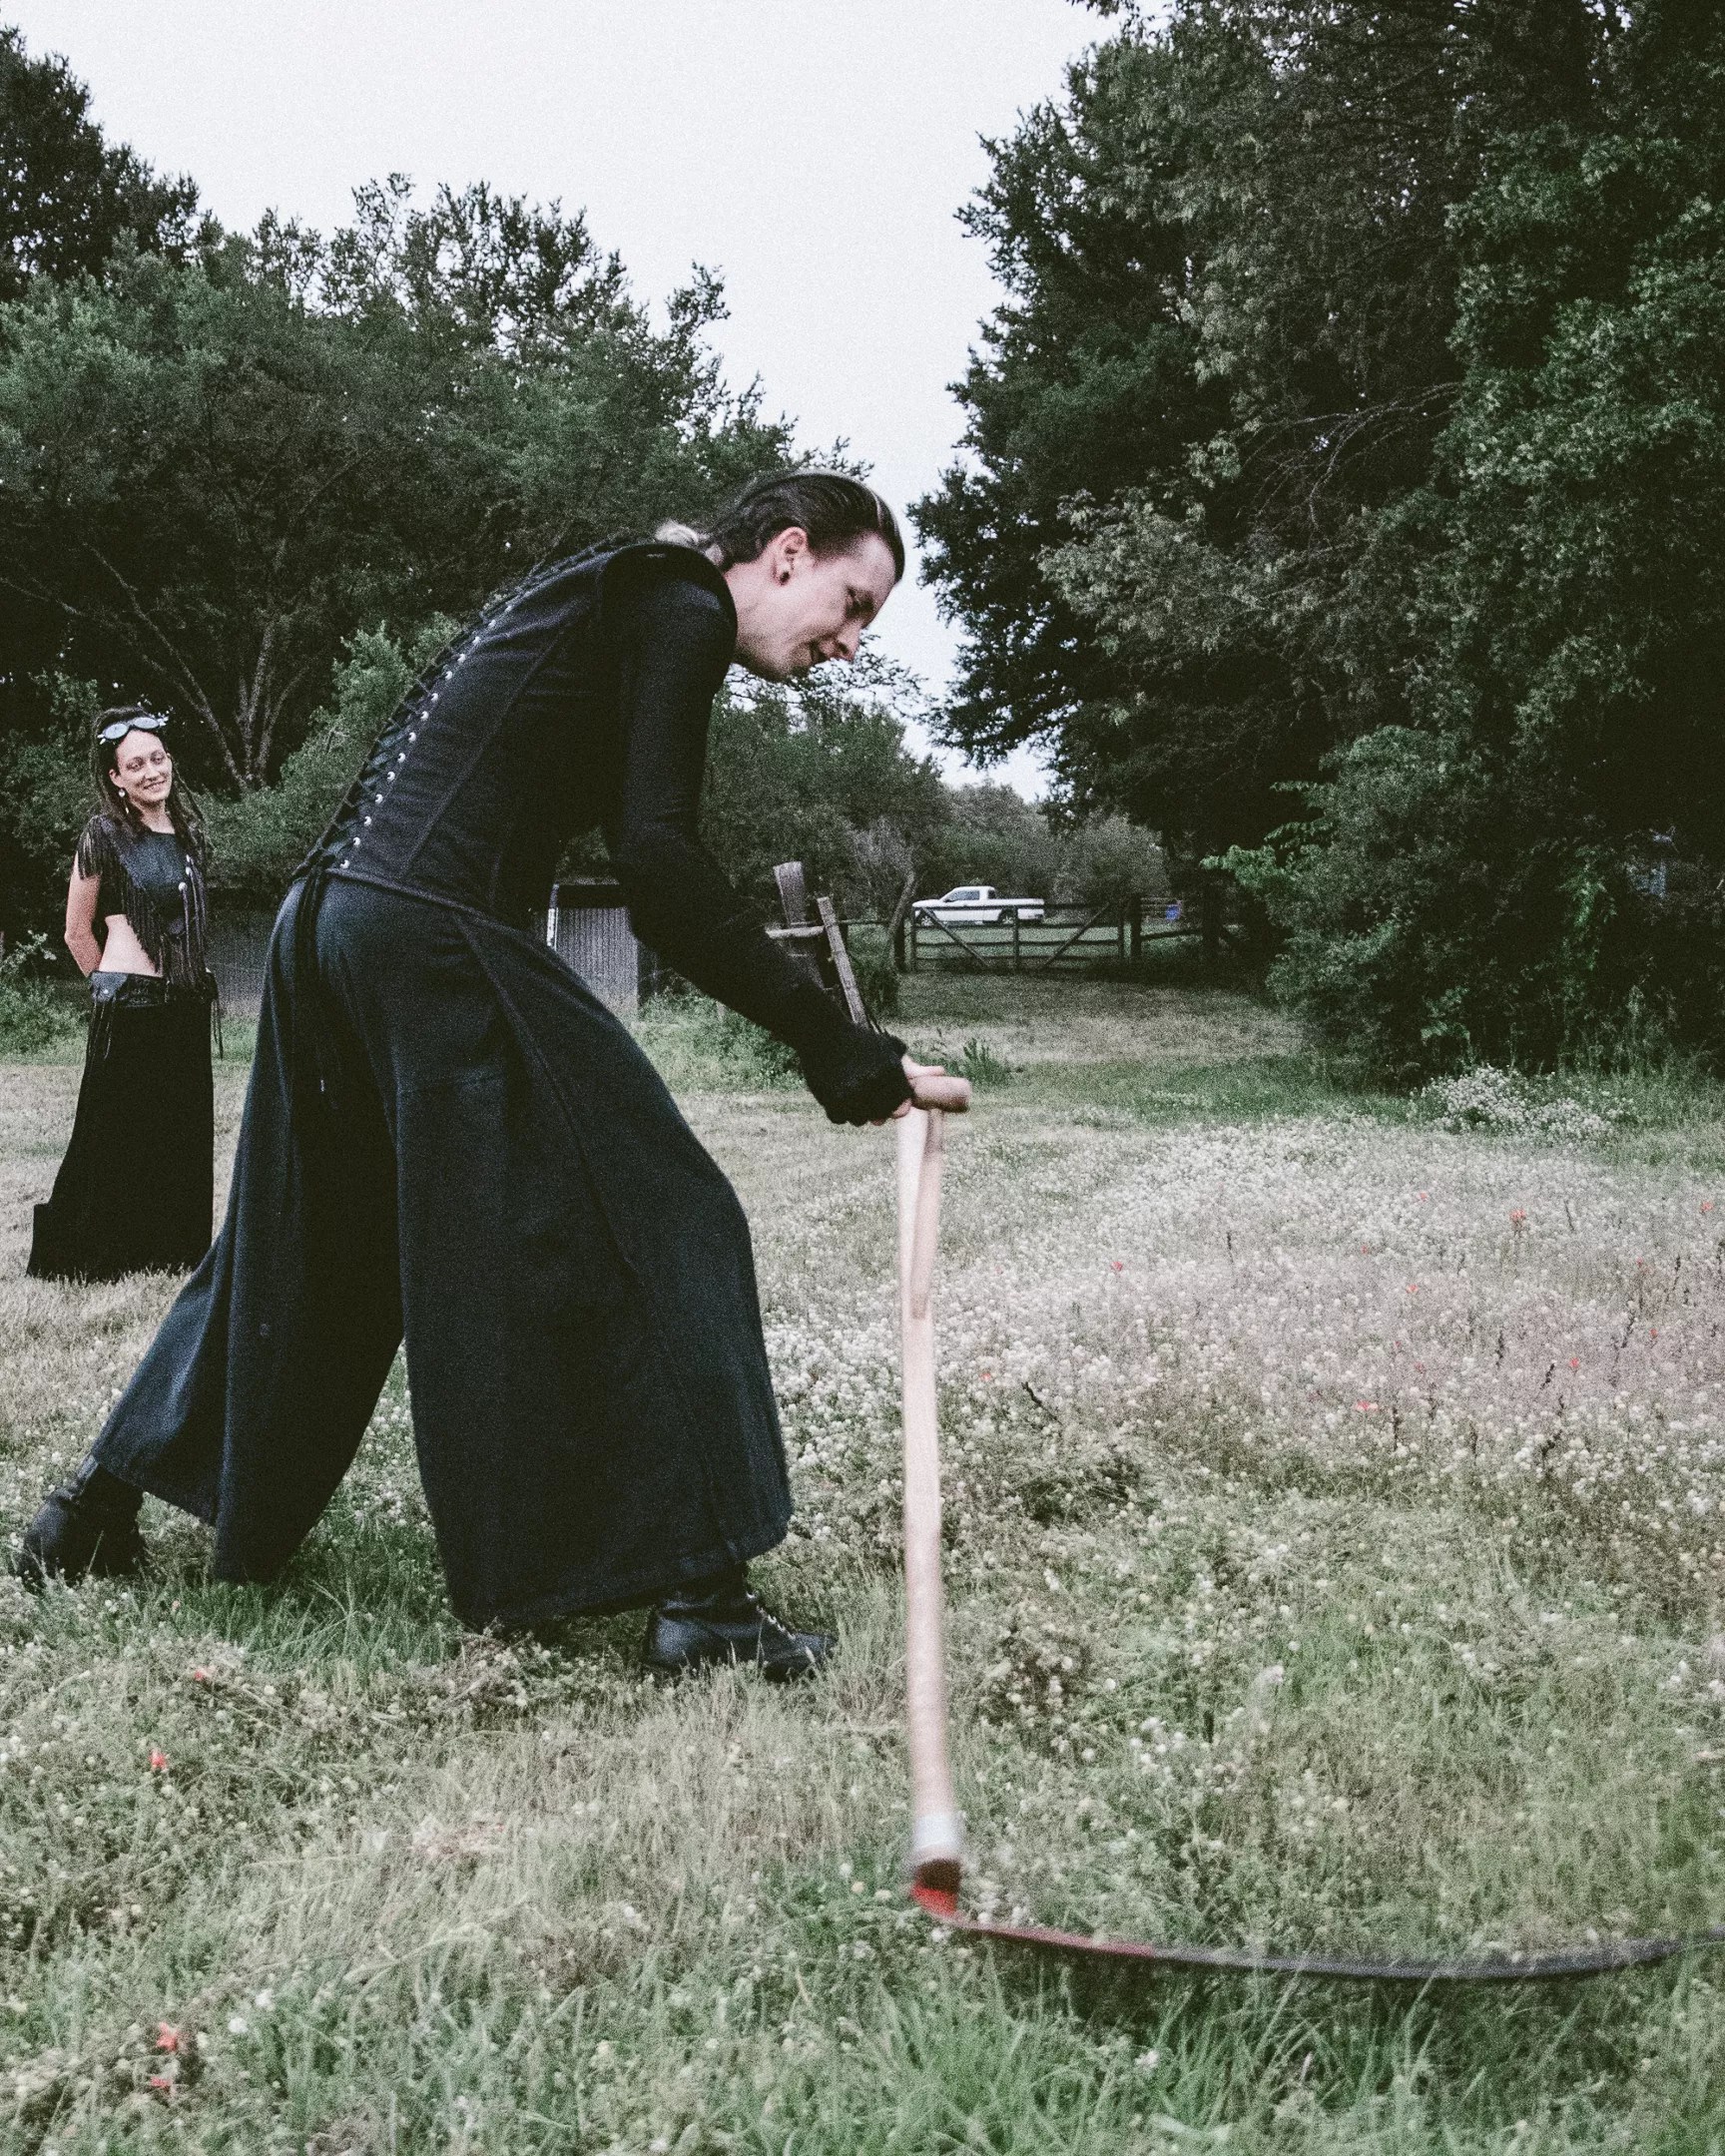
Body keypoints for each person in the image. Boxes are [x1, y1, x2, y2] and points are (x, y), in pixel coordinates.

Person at [19, 472, 962, 1676]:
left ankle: (89, 1512)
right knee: (666, 1215)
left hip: (329, 924)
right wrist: (835, 1042)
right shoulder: (679, 601)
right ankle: (703, 1601)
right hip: (429, 929)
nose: (849, 642)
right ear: (786, 552)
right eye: (854, 602)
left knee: (308, 1242)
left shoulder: (610, 588)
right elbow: (660, 865)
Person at [26, 710, 215, 1289]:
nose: (152, 771)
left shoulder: (185, 831)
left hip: (184, 1004)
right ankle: (96, 1252)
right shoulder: (103, 836)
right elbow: (75, 932)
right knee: (114, 1136)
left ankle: (171, 1250)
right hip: (129, 1005)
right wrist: (108, 987)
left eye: (158, 758)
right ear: (115, 778)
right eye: (136, 765)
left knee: (179, 1132)